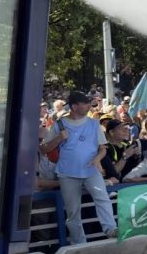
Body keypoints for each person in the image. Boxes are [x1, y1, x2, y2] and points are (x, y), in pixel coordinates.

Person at [38, 91, 116, 244]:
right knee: (73, 212)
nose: (89, 106)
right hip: (67, 173)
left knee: (102, 197)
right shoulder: (59, 124)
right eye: (85, 103)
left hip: (91, 171)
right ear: (74, 106)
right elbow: (44, 149)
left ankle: (110, 229)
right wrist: (60, 138)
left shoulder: (94, 123)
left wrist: (97, 160)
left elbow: (103, 148)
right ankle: (78, 243)